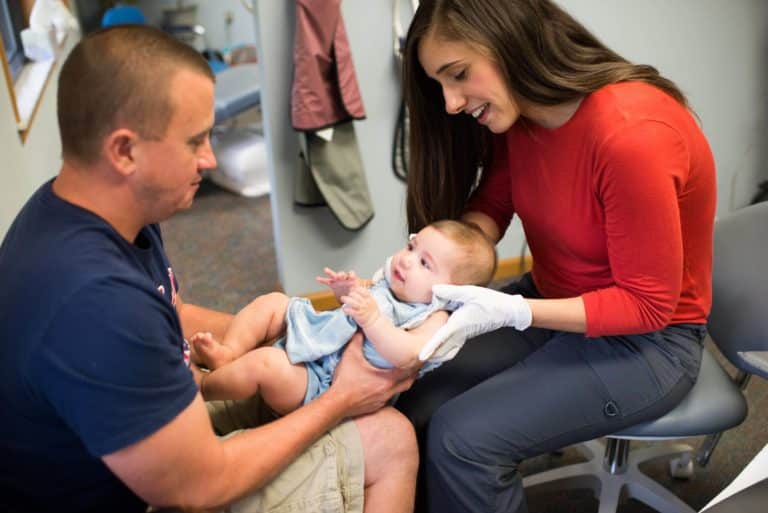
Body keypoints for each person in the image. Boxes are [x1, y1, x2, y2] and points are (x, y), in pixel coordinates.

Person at [0, 26, 419, 513]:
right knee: (389, 439)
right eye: (195, 140)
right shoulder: (93, 301)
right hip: (154, 492)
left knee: (287, 362)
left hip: (152, 439)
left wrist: (301, 332)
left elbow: (170, 317)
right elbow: (201, 486)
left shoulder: (99, 211)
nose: (210, 158)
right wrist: (341, 398)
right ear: (124, 150)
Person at [394, 1, 717, 512]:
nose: (451, 103)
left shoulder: (632, 137)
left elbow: (646, 306)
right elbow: (494, 203)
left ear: (510, 42)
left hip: (648, 343)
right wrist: (443, 261)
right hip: (555, 301)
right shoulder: (526, 116)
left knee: (463, 441)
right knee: (412, 386)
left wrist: (513, 311)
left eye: (458, 75)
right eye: (440, 85)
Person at [192, 220, 497, 413]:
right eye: (410, 246)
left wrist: (374, 320)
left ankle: (204, 388)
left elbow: (408, 354)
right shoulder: (390, 283)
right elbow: (349, 311)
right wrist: (346, 290)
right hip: (316, 338)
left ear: (450, 292)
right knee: (272, 302)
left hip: (321, 383)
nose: (405, 259)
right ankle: (227, 353)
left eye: (424, 263)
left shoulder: (435, 319)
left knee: (267, 365)